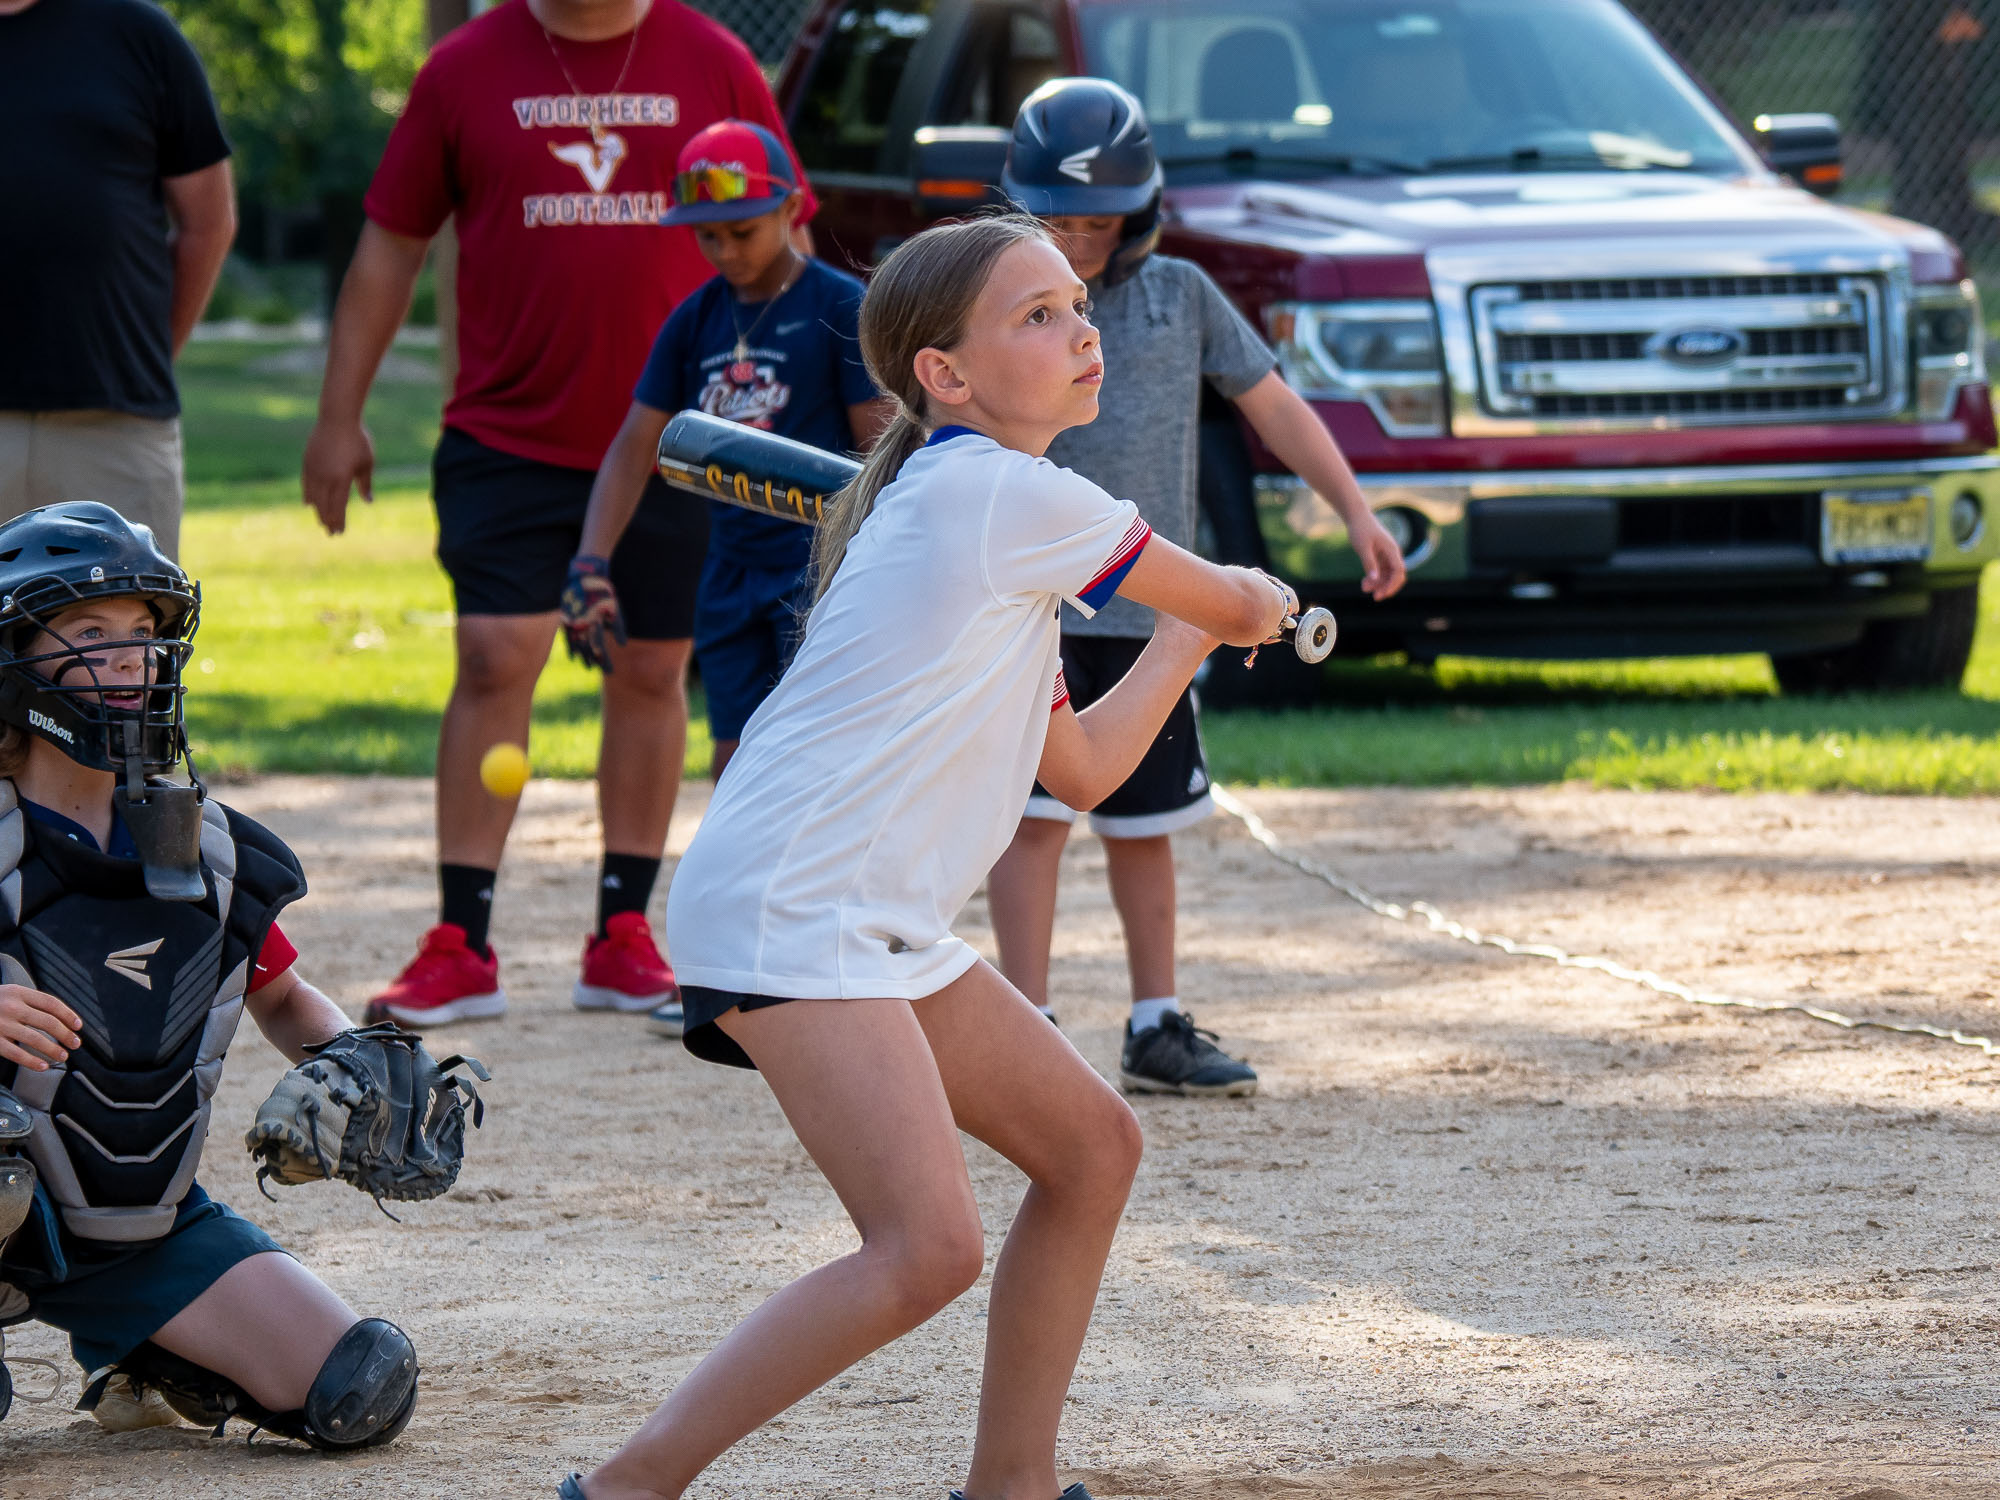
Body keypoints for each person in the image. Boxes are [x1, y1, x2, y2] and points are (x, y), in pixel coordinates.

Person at [557, 215, 1294, 1500]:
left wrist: (1185, 638)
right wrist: (1243, 602)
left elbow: (1081, 770)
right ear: (942, 376)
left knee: (1092, 1150)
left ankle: (1012, 1485)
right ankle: (625, 1489)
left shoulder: (987, 526)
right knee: (924, 1248)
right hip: (799, 904)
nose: (1079, 332)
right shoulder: (1003, 496)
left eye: (1076, 307)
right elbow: (1231, 600)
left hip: (870, 914)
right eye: (1035, 316)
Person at [302, 0, 817, 1027]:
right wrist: (337, 415)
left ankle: (622, 933)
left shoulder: (710, 59)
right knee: (494, 657)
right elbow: (391, 246)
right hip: (507, 432)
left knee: (652, 668)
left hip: (682, 436)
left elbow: (781, 239)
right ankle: (461, 941)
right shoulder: (463, 68)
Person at [984, 79, 1407, 1098]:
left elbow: (1274, 405)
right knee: (1031, 821)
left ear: (1141, 213)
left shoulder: (1179, 295)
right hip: (1033, 613)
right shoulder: (992, 298)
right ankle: (1026, 1025)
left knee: (1146, 824)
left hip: (1153, 615)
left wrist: (1355, 510)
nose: (1078, 243)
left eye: (1100, 223)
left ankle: (1155, 1023)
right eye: (1057, 223)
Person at [0, 503, 419, 1449]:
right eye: (91, 635)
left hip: (130, 1216)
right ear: (14, 660)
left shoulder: (202, 849)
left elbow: (281, 996)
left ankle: (146, 1340)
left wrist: (355, 1059)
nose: (128, 660)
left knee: (357, 1389)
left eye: (143, 633)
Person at [563, 118, 889, 1035]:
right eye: (707, 234)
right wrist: (590, 560)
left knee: (812, 759)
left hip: (817, 574)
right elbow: (635, 446)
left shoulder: (836, 306)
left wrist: (881, 565)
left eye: (742, 229)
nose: (725, 249)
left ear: (790, 207)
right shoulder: (696, 320)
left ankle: (831, 951)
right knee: (736, 759)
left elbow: (879, 447)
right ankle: (740, 964)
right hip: (731, 573)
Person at [0, 0, 237, 558]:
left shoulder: (140, 33)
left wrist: (147, 352)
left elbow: (208, 223)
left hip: (115, 434)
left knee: (126, 619)